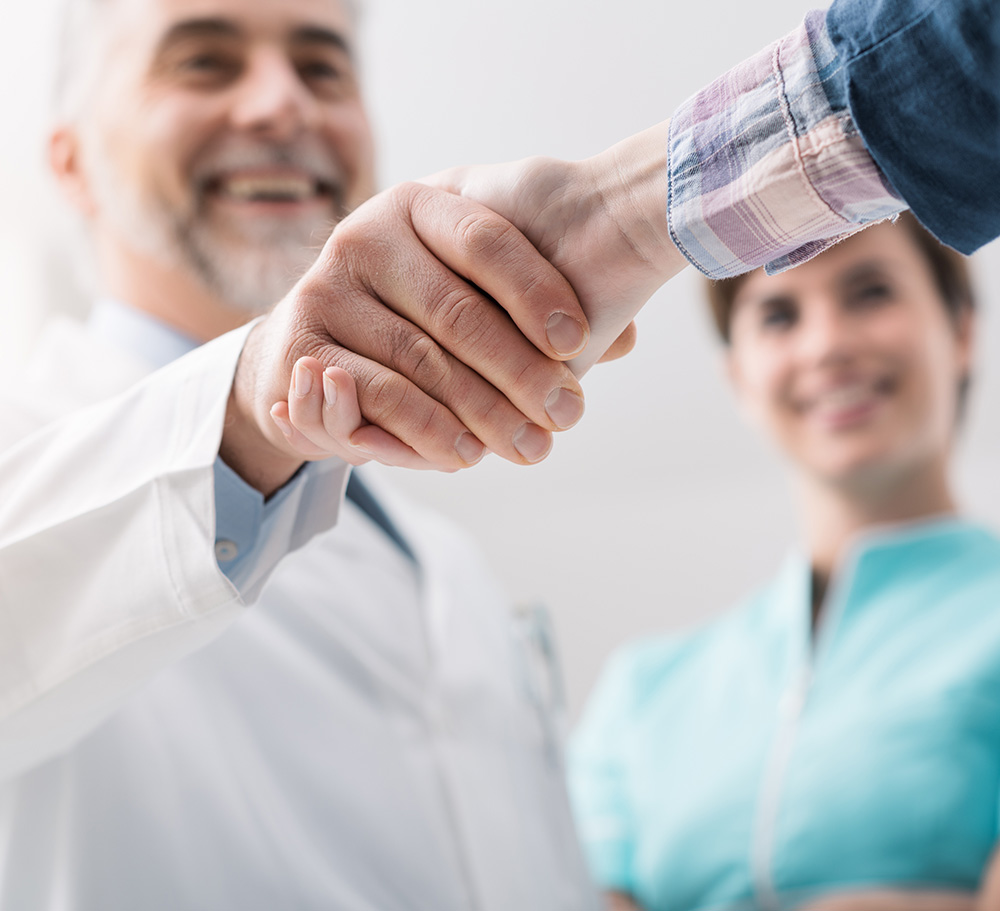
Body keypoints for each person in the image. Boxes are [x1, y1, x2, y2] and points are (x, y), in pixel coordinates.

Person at [0, 0, 607, 908]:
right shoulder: (29, 446)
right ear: (72, 163)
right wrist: (247, 407)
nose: (283, 104)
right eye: (204, 61)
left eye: (323, 66)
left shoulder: (447, 559)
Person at [567, 213, 1000, 910]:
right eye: (777, 315)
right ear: (738, 377)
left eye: (871, 292)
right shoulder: (641, 694)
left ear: (961, 331)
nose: (827, 344)